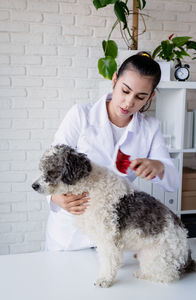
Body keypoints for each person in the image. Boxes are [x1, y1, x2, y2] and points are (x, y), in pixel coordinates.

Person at [45, 52, 180, 251]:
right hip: (70, 234)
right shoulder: (80, 116)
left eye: (140, 97)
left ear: (151, 96)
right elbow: (52, 163)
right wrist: (54, 197)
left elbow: (174, 182)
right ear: (115, 80)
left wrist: (158, 167)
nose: (128, 103)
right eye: (125, 91)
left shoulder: (150, 129)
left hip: (114, 234)